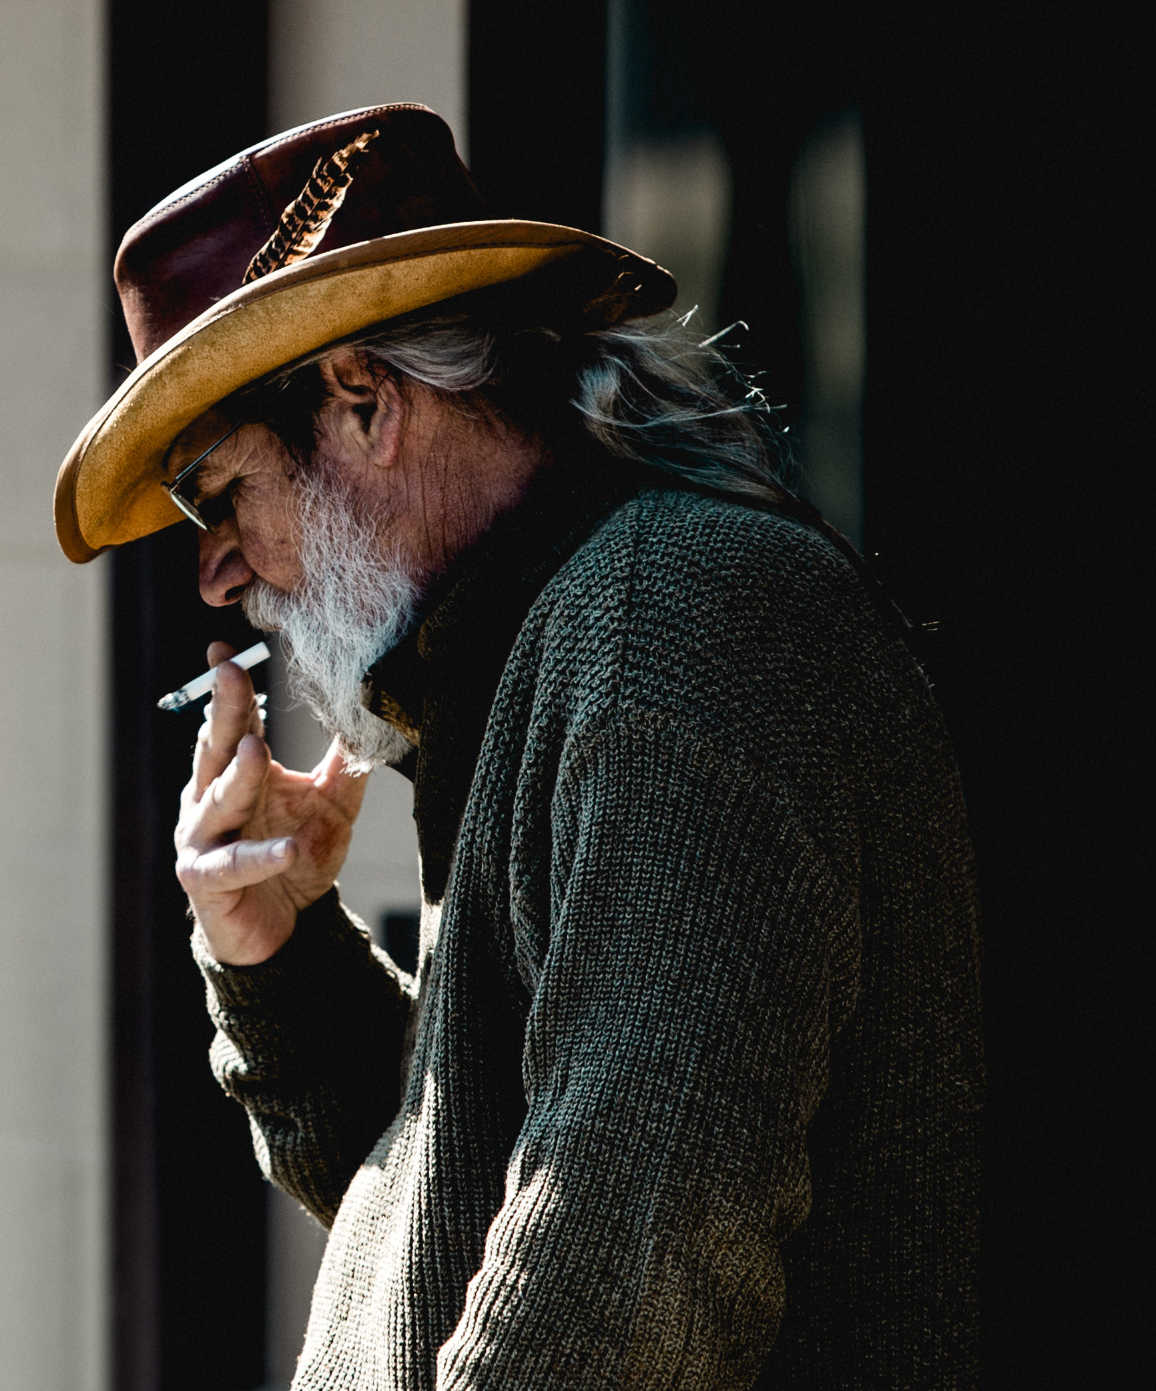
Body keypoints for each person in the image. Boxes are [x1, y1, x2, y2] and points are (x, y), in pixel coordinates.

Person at [54, 103, 983, 1388]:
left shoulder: (669, 624)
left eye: (221, 493)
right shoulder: (553, 642)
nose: (216, 572)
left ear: (364, 399)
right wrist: (281, 960)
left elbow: (619, 1288)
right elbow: (459, 1219)